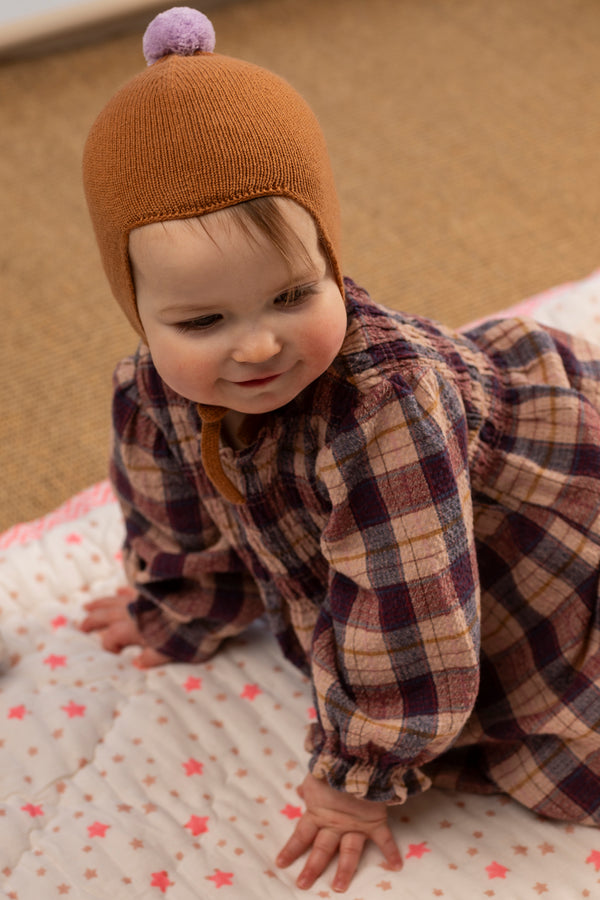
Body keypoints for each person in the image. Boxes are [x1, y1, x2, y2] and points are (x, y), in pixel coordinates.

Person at [80, 6, 600, 893]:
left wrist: (359, 779)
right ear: (138, 310)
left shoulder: (383, 409)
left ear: (331, 256)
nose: (256, 347)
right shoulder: (149, 389)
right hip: (406, 541)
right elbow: (171, 510)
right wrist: (179, 602)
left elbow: (415, 620)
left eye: (292, 295)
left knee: (562, 752)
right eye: (201, 321)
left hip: (517, 514)